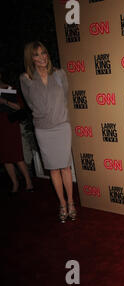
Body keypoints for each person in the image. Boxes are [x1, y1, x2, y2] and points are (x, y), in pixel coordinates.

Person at [20, 41, 76, 223]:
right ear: (31, 58)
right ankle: (62, 204)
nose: (42, 57)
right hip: (43, 129)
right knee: (53, 169)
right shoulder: (26, 79)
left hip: (61, 126)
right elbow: (30, 103)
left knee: (66, 167)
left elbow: (65, 96)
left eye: (44, 52)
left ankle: (71, 203)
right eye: (36, 54)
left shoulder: (59, 74)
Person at [0, 72, 34, 194]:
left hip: (10, 124)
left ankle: (28, 181)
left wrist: (4, 101)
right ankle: (15, 183)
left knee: (16, 154)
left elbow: (19, 107)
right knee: (5, 157)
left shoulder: (9, 88)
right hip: (1, 126)